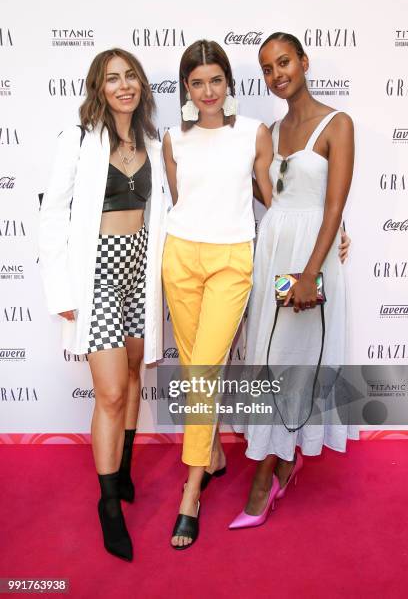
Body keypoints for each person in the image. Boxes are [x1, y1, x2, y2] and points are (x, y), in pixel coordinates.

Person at [38, 48, 169, 560]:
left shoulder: (154, 143)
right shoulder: (76, 140)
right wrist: (62, 292)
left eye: (130, 75)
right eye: (112, 78)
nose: (124, 85)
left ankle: (126, 469)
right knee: (111, 391)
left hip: (141, 272)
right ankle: (109, 502)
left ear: (140, 85)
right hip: (97, 275)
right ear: (99, 87)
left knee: (136, 375)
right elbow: (51, 218)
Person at [229, 32, 358, 530]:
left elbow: (334, 205)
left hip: (310, 259)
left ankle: (265, 478)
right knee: (269, 359)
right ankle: (285, 458)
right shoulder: (273, 129)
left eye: (284, 62)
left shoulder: (337, 123)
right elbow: (272, 196)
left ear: (304, 61)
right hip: (273, 251)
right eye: (267, 67)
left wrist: (311, 272)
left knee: (294, 361)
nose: (277, 73)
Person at [161, 39, 273, 549]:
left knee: (204, 369)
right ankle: (214, 456)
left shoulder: (254, 133)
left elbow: (272, 198)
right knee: (193, 370)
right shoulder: (172, 139)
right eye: (197, 82)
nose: (207, 91)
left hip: (232, 259)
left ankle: (191, 492)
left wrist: (325, 231)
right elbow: (179, 201)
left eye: (216, 80)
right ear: (187, 87)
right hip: (180, 257)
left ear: (229, 82)